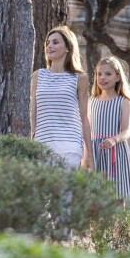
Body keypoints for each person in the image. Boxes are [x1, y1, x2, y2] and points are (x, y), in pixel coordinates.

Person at [30, 25, 94, 170]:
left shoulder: (79, 78)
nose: (49, 46)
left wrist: (89, 154)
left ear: (67, 48)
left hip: (69, 145)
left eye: (55, 42)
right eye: (48, 43)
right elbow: (33, 115)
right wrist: (31, 143)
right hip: (42, 145)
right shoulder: (38, 76)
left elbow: (85, 118)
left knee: (64, 192)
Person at [89, 56, 130, 207]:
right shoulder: (91, 102)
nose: (102, 78)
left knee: (117, 199)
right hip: (95, 153)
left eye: (108, 74)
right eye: (99, 74)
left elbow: (126, 131)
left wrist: (113, 140)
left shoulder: (123, 102)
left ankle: (116, 231)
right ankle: (94, 231)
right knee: (92, 199)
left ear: (118, 77)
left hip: (115, 153)